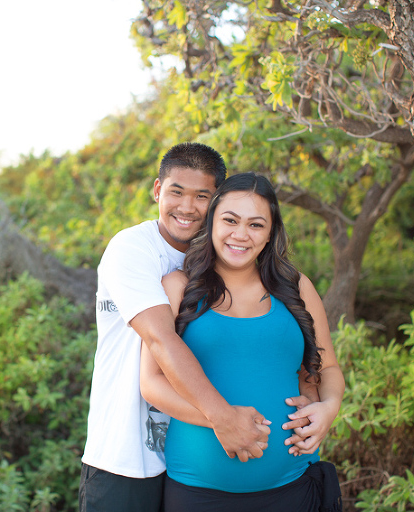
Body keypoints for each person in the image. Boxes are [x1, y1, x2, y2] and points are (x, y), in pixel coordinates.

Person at [79, 145, 326, 512]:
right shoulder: (133, 249)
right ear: (157, 189)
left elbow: (289, 355)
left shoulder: (216, 257)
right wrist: (224, 419)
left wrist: (317, 401)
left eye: (201, 196)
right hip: (126, 458)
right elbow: (161, 340)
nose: (186, 206)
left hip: (178, 458)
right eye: (176, 191)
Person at [140, 172, 345, 511]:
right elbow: (152, 384)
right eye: (230, 220)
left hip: (294, 485)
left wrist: (330, 408)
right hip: (198, 492)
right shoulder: (177, 287)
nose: (240, 234)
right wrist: (224, 421)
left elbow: (329, 367)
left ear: (270, 234)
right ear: (212, 224)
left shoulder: (297, 287)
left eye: (255, 225)